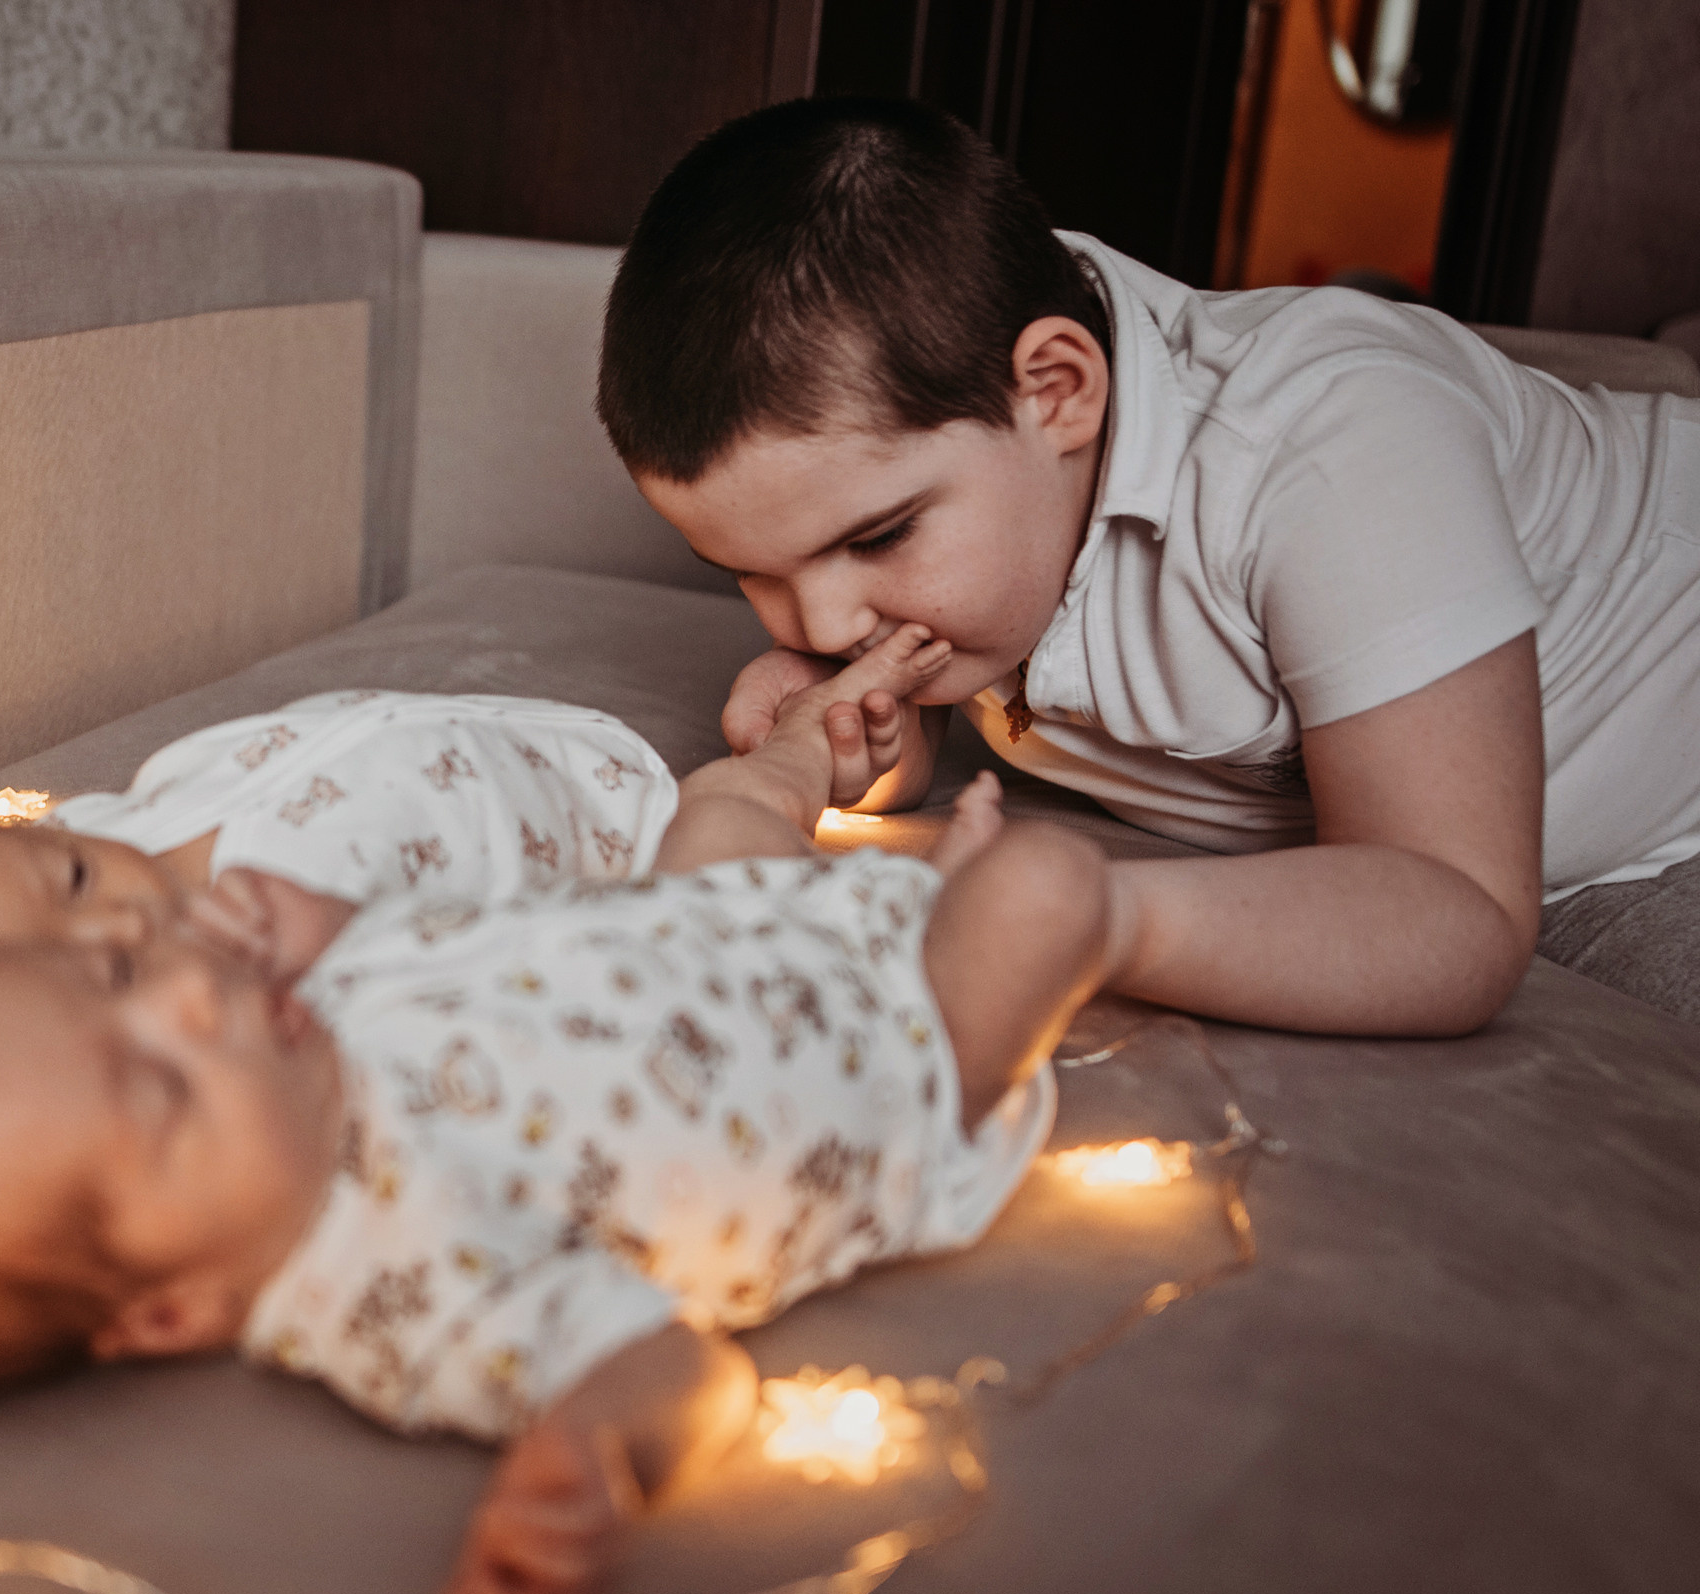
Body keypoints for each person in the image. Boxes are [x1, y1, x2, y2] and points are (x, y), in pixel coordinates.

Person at [0, 631, 1118, 1594]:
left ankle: (862, 808)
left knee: (750, 812)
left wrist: (320, 925)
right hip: (882, 1053)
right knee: (1053, 887)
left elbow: (449, 931)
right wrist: (595, 1451)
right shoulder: (398, 1282)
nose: (191, 1000)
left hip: (730, 912)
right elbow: (673, 1364)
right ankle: (1006, 925)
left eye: (121, 975)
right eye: (160, 1091)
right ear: (168, 1308)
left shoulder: (289, 1032)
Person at [598, 97, 1700, 1028]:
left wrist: (1100, 916)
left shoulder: (1334, 451)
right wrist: (876, 747)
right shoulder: (981, 468)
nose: (823, 624)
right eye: (748, 570)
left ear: (1057, 391)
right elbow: (955, 690)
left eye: (877, 539)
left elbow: (1455, 909)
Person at [0, 688, 692, 1099]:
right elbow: (448, 994)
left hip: (514, 727)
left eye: (70, 876)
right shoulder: (258, 966)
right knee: (734, 835)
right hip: (623, 834)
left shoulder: (107, 831)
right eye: (89, 962)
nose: (120, 916)